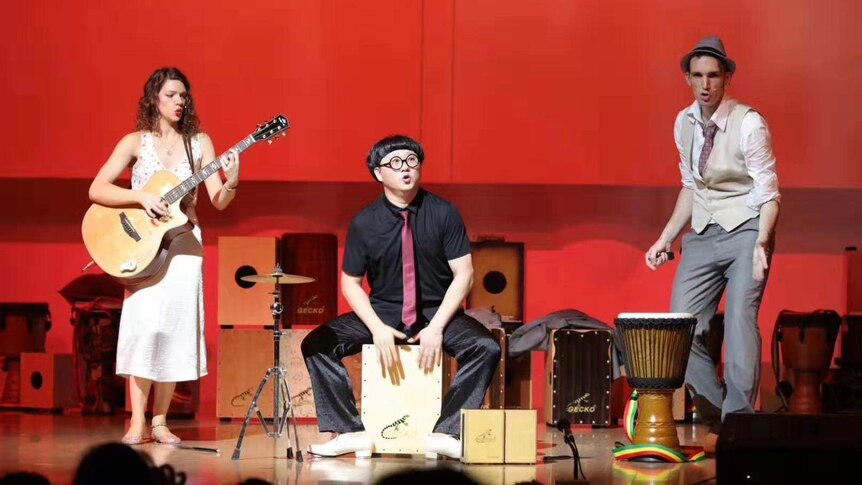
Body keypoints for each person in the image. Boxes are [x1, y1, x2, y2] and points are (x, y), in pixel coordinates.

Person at [301, 135, 501, 459]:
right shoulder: (364, 222)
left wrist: (436, 327)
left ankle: (445, 432)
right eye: (395, 163)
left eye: (411, 160)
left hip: (437, 311)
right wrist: (377, 328)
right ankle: (350, 432)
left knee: (486, 347)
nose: (405, 169)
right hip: (384, 311)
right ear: (378, 173)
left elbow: (464, 274)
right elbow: (350, 283)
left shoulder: (444, 212)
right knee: (316, 344)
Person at [88, 67, 240, 444]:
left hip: (185, 244)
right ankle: (136, 421)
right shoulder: (134, 142)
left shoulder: (199, 142)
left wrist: (233, 180)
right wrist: (140, 196)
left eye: (184, 96)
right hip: (143, 245)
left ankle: (160, 421)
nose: (179, 102)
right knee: (144, 328)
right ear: (154, 97)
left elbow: (218, 200)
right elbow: (97, 189)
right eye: (172, 95)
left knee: (175, 329)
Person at [645, 36, 780, 452]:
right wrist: (666, 238)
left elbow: (768, 191)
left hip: (747, 229)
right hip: (703, 233)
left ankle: (739, 419)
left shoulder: (749, 123)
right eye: (698, 76)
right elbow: (690, 187)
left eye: (714, 76)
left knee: (740, 321)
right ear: (688, 78)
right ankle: (725, 419)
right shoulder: (682, 122)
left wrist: (762, 243)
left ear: (727, 78)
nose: (706, 84)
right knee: (679, 331)